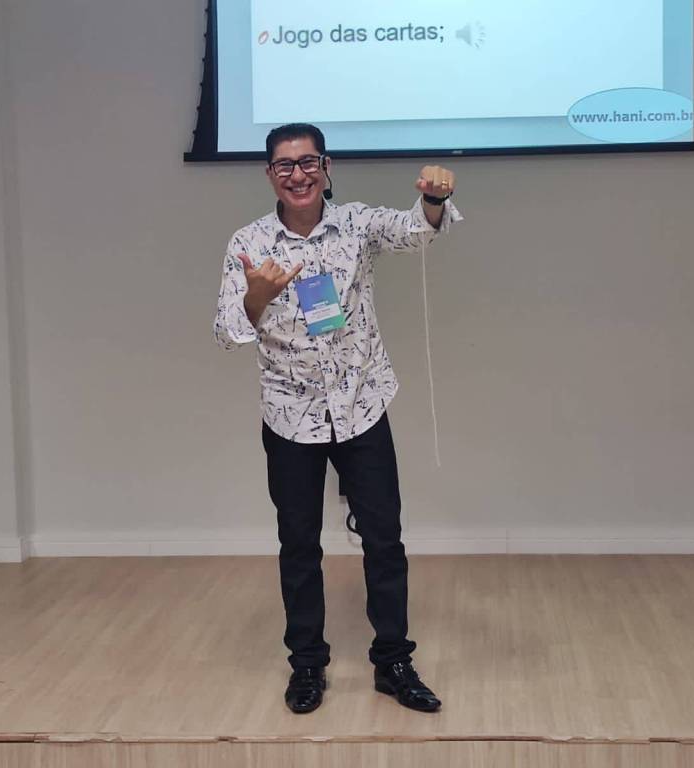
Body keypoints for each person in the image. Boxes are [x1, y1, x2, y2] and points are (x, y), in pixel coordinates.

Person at [214, 123, 461, 714]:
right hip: (290, 415)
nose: (297, 174)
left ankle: (393, 662)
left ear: (326, 168)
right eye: (284, 165)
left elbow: (415, 231)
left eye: (308, 162)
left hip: (361, 406)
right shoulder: (249, 243)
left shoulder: (356, 224)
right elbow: (227, 330)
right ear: (269, 175)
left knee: (384, 539)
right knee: (298, 545)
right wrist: (257, 296)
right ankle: (307, 665)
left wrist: (434, 199)